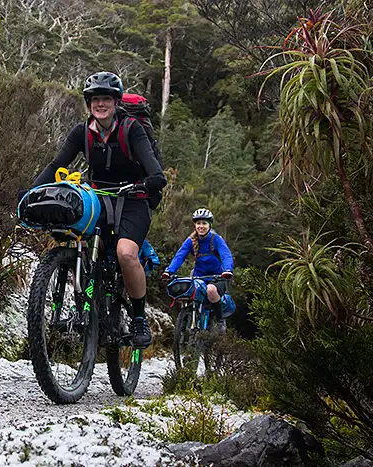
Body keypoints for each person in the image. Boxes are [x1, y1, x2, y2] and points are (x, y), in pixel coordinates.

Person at [30, 71, 166, 349]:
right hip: (98, 198)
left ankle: (139, 318)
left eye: (105, 99)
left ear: (116, 102)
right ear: (89, 103)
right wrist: (32, 191)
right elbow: (57, 165)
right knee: (83, 239)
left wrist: (153, 179)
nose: (100, 104)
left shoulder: (132, 129)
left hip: (133, 199)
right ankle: (94, 298)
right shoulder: (82, 132)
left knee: (126, 253)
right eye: (94, 99)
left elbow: (153, 167)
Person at [162, 208, 234, 333]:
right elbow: (180, 256)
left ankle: (220, 320)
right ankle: (185, 322)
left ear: (209, 225)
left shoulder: (215, 239)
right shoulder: (191, 240)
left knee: (211, 291)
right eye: (198, 223)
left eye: (204, 223)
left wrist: (227, 270)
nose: (201, 226)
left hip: (217, 277)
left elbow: (226, 255)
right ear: (195, 225)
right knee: (186, 292)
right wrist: (169, 271)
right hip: (198, 277)